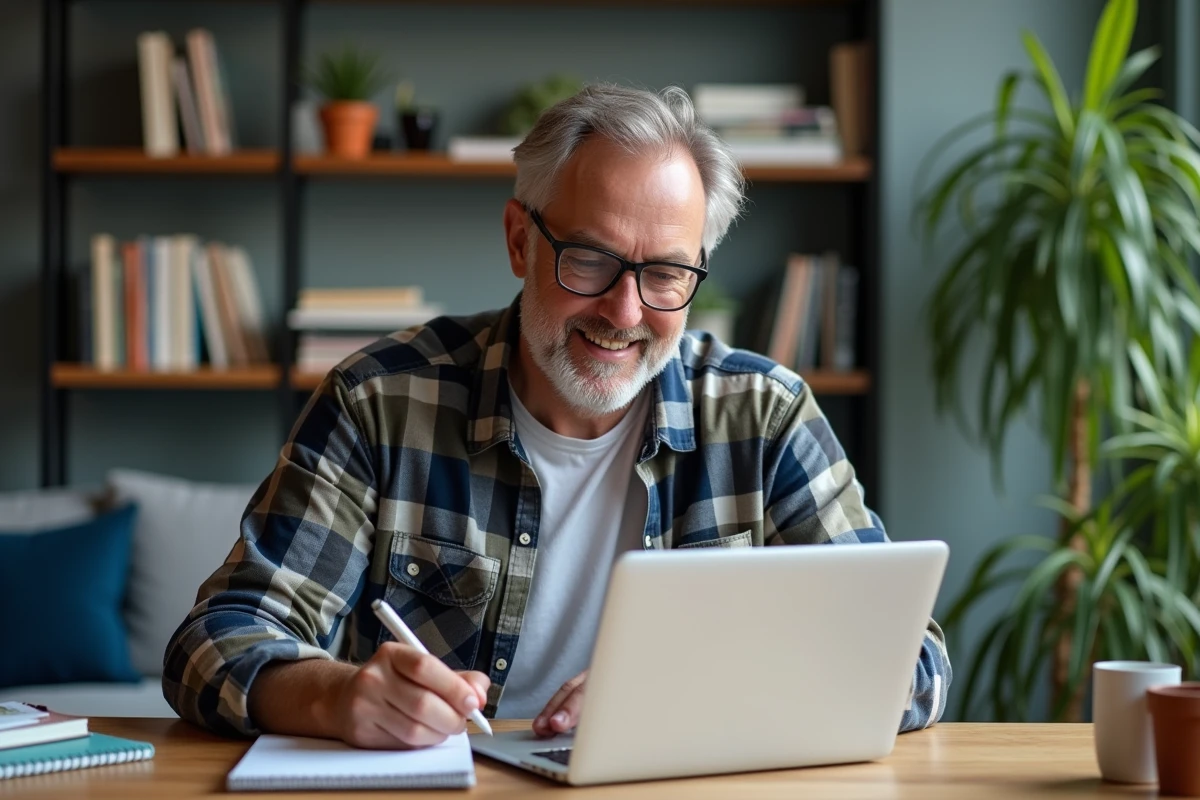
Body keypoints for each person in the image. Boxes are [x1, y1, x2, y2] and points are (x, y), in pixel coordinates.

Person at [163, 84, 951, 749]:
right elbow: (213, 642)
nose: (624, 309)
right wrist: (335, 697)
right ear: (519, 240)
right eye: (591, 260)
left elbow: (914, 663)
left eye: (666, 274)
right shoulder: (381, 402)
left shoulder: (763, 417)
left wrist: (687, 689)